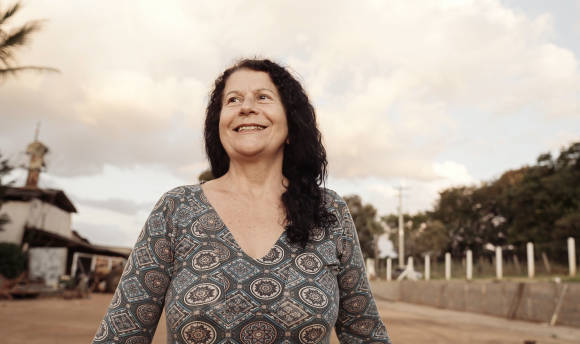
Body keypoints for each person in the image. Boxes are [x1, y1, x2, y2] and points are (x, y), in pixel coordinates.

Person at [92, 59, 391, 344]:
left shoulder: (329, 211)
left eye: (263, 97)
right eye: (233, 100)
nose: (246, 107)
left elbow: (366, 334)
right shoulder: (176, 209)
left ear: (291, 125)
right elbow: (120, 334)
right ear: (219, 125)